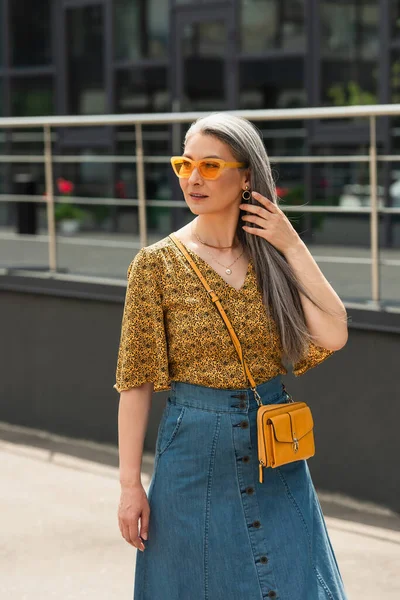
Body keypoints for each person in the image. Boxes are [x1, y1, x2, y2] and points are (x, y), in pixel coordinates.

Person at [114, 113, 349, 600]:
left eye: (211, 165)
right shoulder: (155, 265)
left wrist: (290, 242)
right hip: (193, 453)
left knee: (293, 582)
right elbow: (135, 381)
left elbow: (334, 332)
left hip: (274, 451)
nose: (193, 178)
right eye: (185, 164)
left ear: (246, 177)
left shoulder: (272, 257)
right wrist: (130, 486)